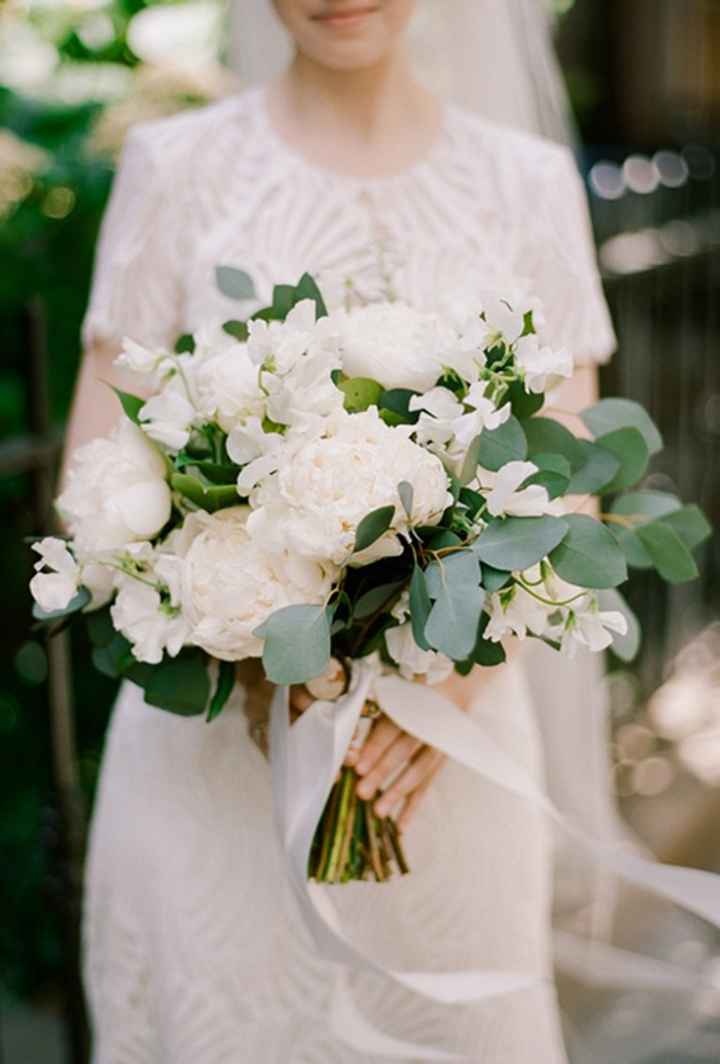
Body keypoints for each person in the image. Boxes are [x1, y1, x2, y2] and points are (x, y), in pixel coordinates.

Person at [70, 2, 616, 1060]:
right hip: (220, 745)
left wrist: (448, 685)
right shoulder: (173, 167)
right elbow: (98, 472)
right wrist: (240, 627)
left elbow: (570, 481)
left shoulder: (527, 183)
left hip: (442, 753)